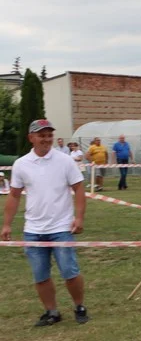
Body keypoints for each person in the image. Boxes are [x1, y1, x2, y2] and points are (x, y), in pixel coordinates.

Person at [1, 119, 90, 327]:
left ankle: (79, 306)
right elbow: (13, 196)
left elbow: (79, 189)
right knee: (40, 275)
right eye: (41, 135)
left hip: (61, 228)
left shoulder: (65, 161)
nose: (46, 139)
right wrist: (6, 224)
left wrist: (79, 218)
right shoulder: (21, 164)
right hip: (33, 230)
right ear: (31, 138)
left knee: (70, 271)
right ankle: (52, 312)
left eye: (49, 135)